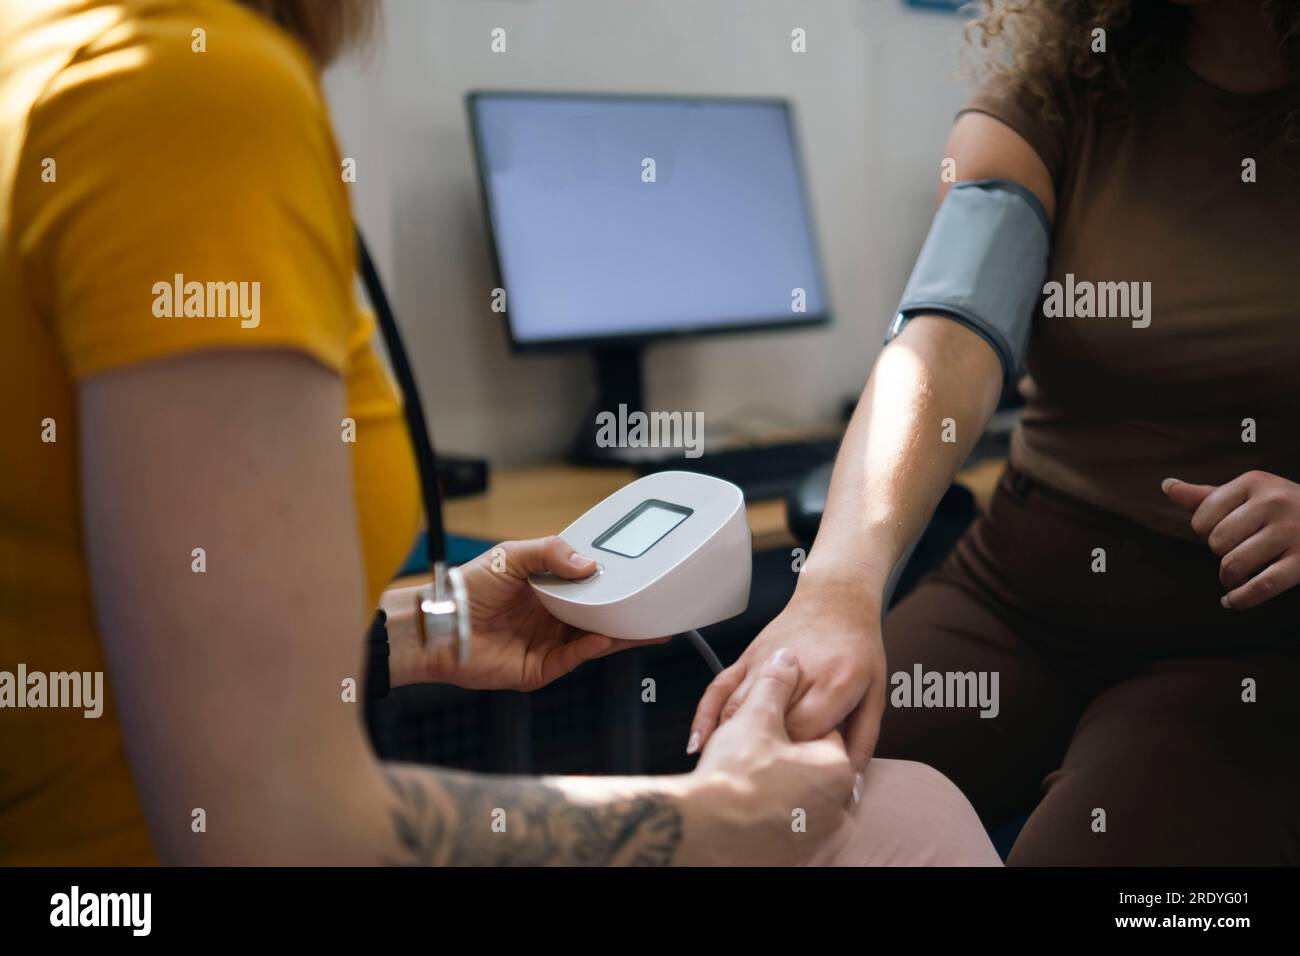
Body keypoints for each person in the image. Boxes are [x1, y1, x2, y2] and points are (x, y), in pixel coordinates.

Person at [0, 0, 1000, 866]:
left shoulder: (49, 49)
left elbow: (124, 624)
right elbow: (287, 831)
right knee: (908, 815)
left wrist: (427, 628)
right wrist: (714, 815)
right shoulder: (193, 93)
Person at [690, 0, 1300, 865]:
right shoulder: (1061, 94)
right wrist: (836, 591)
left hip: (1249, 643)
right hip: (1023, 594)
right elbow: (947, 341)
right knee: (757, 811)